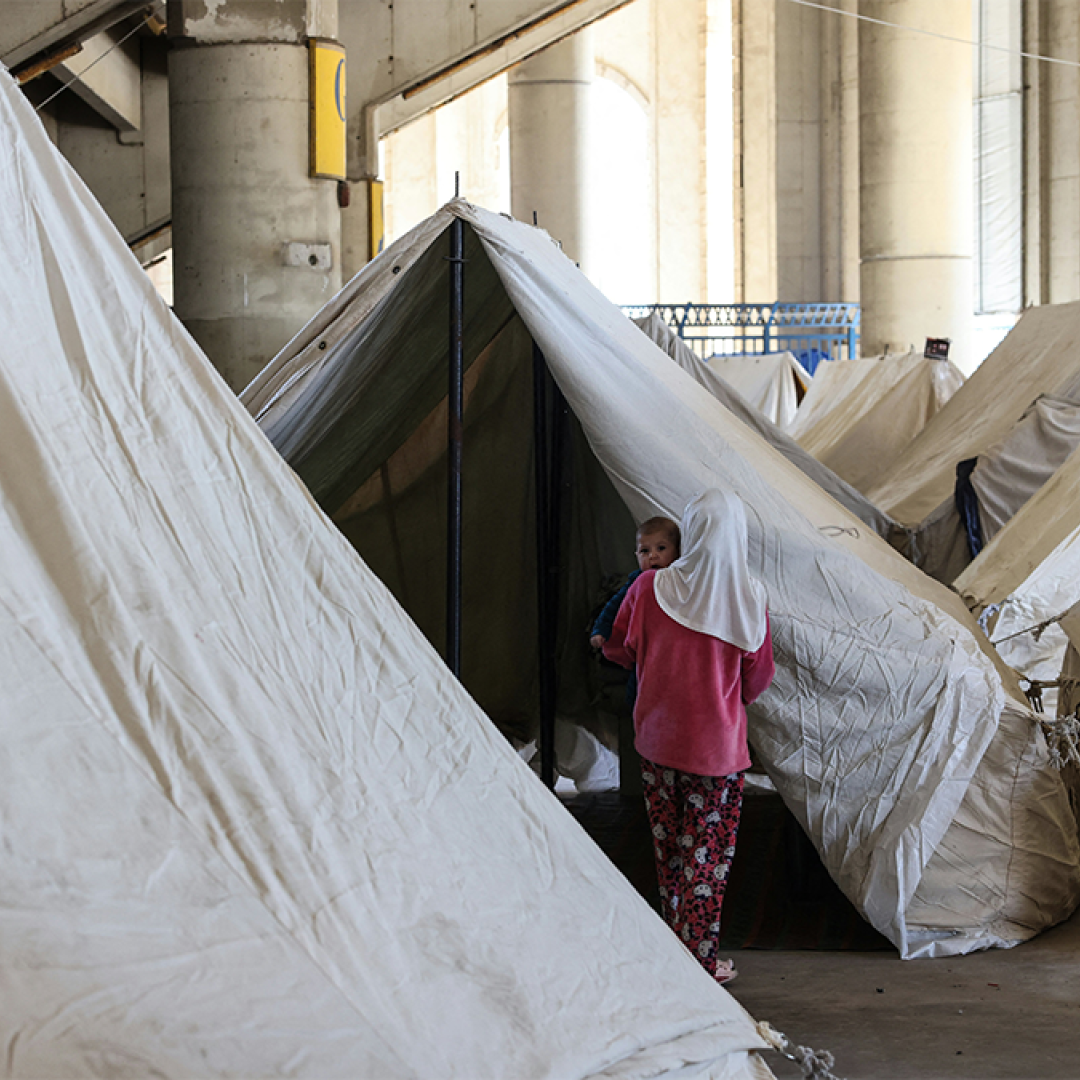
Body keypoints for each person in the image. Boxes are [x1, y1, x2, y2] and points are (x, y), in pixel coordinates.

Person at [603, 490, 774, 985]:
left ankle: (676, 953)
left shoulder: (650, 587)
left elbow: (620, 647)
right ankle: (699, 964)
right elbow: (758, 678)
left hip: (657, 742)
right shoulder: (749, 596)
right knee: (707, 859)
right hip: (716, 751)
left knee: (670, 854)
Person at [588, 516, 681, 652]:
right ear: (636, 555)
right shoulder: (636, 581)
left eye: (661, 548)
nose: (652, 556)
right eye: (645, 551)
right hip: (644, 644)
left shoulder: (680, 579)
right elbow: (614, 606)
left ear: (677, 551)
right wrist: (600, 630)